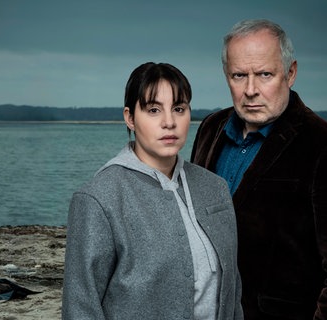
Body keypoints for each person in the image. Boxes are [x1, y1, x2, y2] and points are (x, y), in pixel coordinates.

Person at [191, 19, 327, 319]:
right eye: (239, 75)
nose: (251, 90)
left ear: (290, 73)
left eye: (265, 74)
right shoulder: (211, 128)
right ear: (227, 76)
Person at [62, 62, 243, 319]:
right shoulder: (98, 199)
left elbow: (232, 294)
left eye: (179, 109)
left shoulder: (215, 188)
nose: (169, 122)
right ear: (130, 118)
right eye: (154, 110)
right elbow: (81, 307)